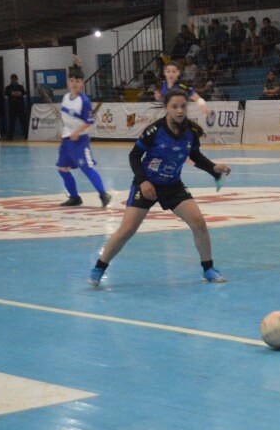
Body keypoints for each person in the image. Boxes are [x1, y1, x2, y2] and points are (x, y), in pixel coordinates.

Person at [89, 87, 232, 288]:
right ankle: (99, 267)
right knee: (127, 229)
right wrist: (143, 181)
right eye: (174, 107)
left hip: (173, 186)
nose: (180, 111)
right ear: (166, 108)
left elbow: (196, 156)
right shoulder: (154, 131)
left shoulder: (191, 132)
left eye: (183, 106)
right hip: (147, 184)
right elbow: (134, 156)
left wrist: (213, 168)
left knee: (199, 223)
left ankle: (208, 269)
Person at [56, 68, 111, 208]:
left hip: (79, 140)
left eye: (78, 81)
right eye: (72, 80)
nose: (74, 83)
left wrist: (76, 132)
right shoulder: (65, 98)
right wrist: (64, 132)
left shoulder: (84, 101)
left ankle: (103, 194)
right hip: (67, 140)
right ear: (68, 82)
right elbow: (65, 118)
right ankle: (75, 198)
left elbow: (89, 121)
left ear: (82, 83)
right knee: (62, 168)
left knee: (87, 168)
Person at [4, 73, 29, 140]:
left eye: (15, 79)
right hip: (13, 107)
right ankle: (10, 137)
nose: (14, 80)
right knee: (12, 122)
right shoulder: (8, 87)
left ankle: (26, 136)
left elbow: (23, 93)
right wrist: (17, 93)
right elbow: (7, 93)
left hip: (20, 107)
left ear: (17, 79)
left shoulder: (20, 87)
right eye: (13, 79)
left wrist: (13, 94)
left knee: (23, 122)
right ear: (11, 79)